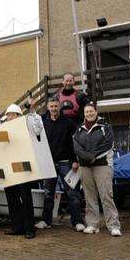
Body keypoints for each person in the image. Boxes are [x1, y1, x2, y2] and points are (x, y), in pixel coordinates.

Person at [35, 97, 85, 232]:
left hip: (66, 163)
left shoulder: (69, 123)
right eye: (51, 106)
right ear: (47, 107)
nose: (54, 109)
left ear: (60, 106)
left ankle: (77, 222)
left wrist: (76, 160)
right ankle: (46, 221)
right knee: (48, 194)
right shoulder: (43, 124)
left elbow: (77, 141)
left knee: (72, 193)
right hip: (49, 163)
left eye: (56, 106)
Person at [73, 103, 121, 237]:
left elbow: (108, 144)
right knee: (89, 197)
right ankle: (92, 224)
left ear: (96, 112)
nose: (89, 114)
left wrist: (92, 156)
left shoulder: (105, 126)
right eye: (86, 112)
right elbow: (76, 146)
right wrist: (86, 157)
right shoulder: (79, 129)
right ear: (84, 114)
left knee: (106, 195)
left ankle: (113, 225)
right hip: (85, 167)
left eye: (91, 111)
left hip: (102, 165)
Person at [3, 102, 42, 239]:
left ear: (19, 115)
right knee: (12, 198)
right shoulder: (3, 128)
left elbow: (38, 129)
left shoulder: (27, 125)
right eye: (9, 115)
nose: (11, 117)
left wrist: (32, 112)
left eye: (13, 114)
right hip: (8, 167)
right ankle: (17, 226)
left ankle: (29, 228)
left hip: (23, 166)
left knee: (25, 198)